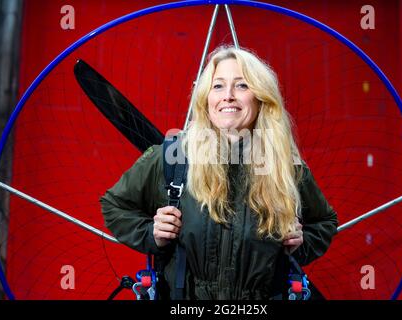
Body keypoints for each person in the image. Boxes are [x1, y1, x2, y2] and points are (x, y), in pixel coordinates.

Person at [100, 46, 338, 300]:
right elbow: (114, 205)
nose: (228, 96)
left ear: (261, 98)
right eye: (218, 86)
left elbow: (324, 223)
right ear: (206, 99)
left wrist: (301, 243)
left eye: (242, 86)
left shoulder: (286, 167)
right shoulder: (174, 157)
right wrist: (152, 234)